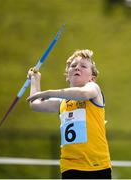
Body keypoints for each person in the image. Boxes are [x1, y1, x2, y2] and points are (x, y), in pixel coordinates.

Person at [27, 49, 112, 179]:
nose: (77, 68)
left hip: (97, 166)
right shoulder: (62, 102)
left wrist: (49, 92)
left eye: (83, 66)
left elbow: (83, 94)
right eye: (73, 66)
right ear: (67, 75)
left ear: (92, 78)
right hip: (70, 166)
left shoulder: (93, 89)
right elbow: (35, 104)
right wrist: (35, 79)